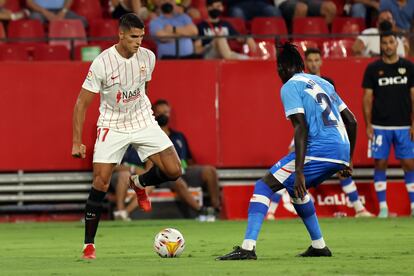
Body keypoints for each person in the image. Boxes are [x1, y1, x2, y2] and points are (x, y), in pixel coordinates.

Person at [217, 42, 357, 260]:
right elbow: (352, 121)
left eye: (278, 70)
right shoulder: (323, 83)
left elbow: (300, 126)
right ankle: (319, 246)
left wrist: (299, 171)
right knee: (295, 191)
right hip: (340, 150)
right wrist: (347, 160)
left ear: (283, 69)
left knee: (264, 185)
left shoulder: (290, 86)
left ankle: (247, 248)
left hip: (319, 150)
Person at [72, 13, 182, 260]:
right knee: (100, 181)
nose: (138, 42)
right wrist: (76, 140)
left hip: (142, 118)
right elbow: (81, 103)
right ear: (120, 34)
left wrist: (150, 117)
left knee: (175, 171)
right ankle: (89, 245)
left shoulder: (148, 57)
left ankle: (138, 183)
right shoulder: (102, 63)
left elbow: (145, 89)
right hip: (112, 123)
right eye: (134, 37)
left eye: (142, 37)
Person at [266, 48, 373, 220]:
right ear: (305, 63)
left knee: (288, 171)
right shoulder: (310, 83)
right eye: (311, 60)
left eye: (317, 60)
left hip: (319, 133)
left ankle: (358, 208)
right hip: (310, 133)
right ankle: (272, 211)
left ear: (321, 61)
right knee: (292, 165)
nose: (314, 63)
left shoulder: (323, 82)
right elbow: (349, 120)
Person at [362, 28, 414, 218]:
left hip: (404, 126)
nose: (388, 46)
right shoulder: (373, 69)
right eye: (384, 43)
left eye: (391, 42)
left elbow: (413, 96)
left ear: (396, 43)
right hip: (379, 126)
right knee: (380, 163)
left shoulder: (408, 67)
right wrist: (368, 125)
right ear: (380, 45)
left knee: (409, 164)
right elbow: (367, 98)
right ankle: (383, 208)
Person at [152, 99, 221, 218]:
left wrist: (196, 171)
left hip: (184, 171)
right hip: (165, 176)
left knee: (210, 171)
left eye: (167, 112)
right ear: (154, 114)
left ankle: (216, 209)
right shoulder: (151, 136)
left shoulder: (179, 136)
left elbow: (189, 160)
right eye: (161, 112)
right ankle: (201, 211)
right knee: (177, 180)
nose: (164, 115)